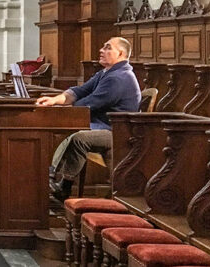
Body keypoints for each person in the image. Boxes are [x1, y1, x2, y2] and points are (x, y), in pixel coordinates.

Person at [36, 36, 141, 201]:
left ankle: (62, 184)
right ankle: (55, 180)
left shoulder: (119, 77)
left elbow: (89, 104)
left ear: (120, 53)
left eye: (107, 48)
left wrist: (65, 110)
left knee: (80, 138)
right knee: (71, 134)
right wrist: (55, 100)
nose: (101, 50)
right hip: (102, 127)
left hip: (117, 133)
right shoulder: (106, 73)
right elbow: (79, 91)